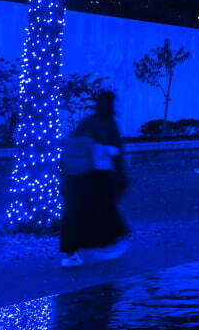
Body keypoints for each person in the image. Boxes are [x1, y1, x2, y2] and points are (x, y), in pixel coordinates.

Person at [59, 89, 129, 267]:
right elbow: (115, 152)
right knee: (104, 210)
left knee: (76, 213)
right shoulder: (108, 123)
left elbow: (71, 147)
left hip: (76, 177)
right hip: (98, 176)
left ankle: (71, 252)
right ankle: (109, 242)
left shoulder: (86, 122)